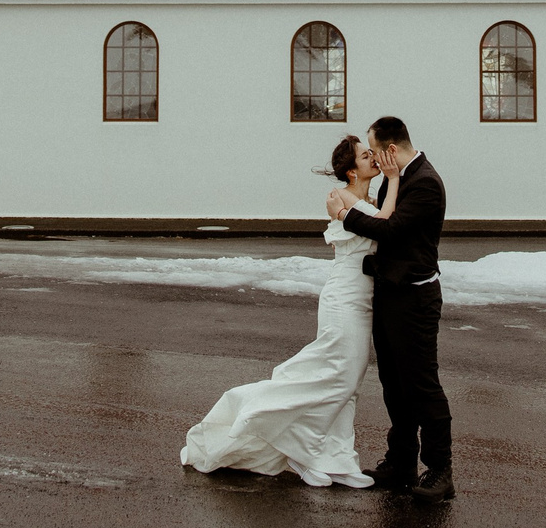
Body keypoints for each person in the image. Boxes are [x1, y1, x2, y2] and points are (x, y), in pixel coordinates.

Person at [180, 134, 395, 487]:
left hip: (362, 298)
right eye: (366, 155)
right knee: (342, 375)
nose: (373, 158)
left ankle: (336, 457)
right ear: (351, 170)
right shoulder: (341, 198)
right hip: (343, 298)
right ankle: (301, 450)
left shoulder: (366, 199)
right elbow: (385, 225)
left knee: (348, 382)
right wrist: (396, 178)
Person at [328, 115, 453, 502]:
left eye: (375, 151)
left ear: (391, 151)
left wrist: (346, 215)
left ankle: (440, 470)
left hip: (415, 300)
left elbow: (391, 230)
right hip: (388, 294)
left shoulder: (426, 184)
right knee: (394, 386)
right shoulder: (394, 180)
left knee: (421, 384)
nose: (375, 161)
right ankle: (401, 460)